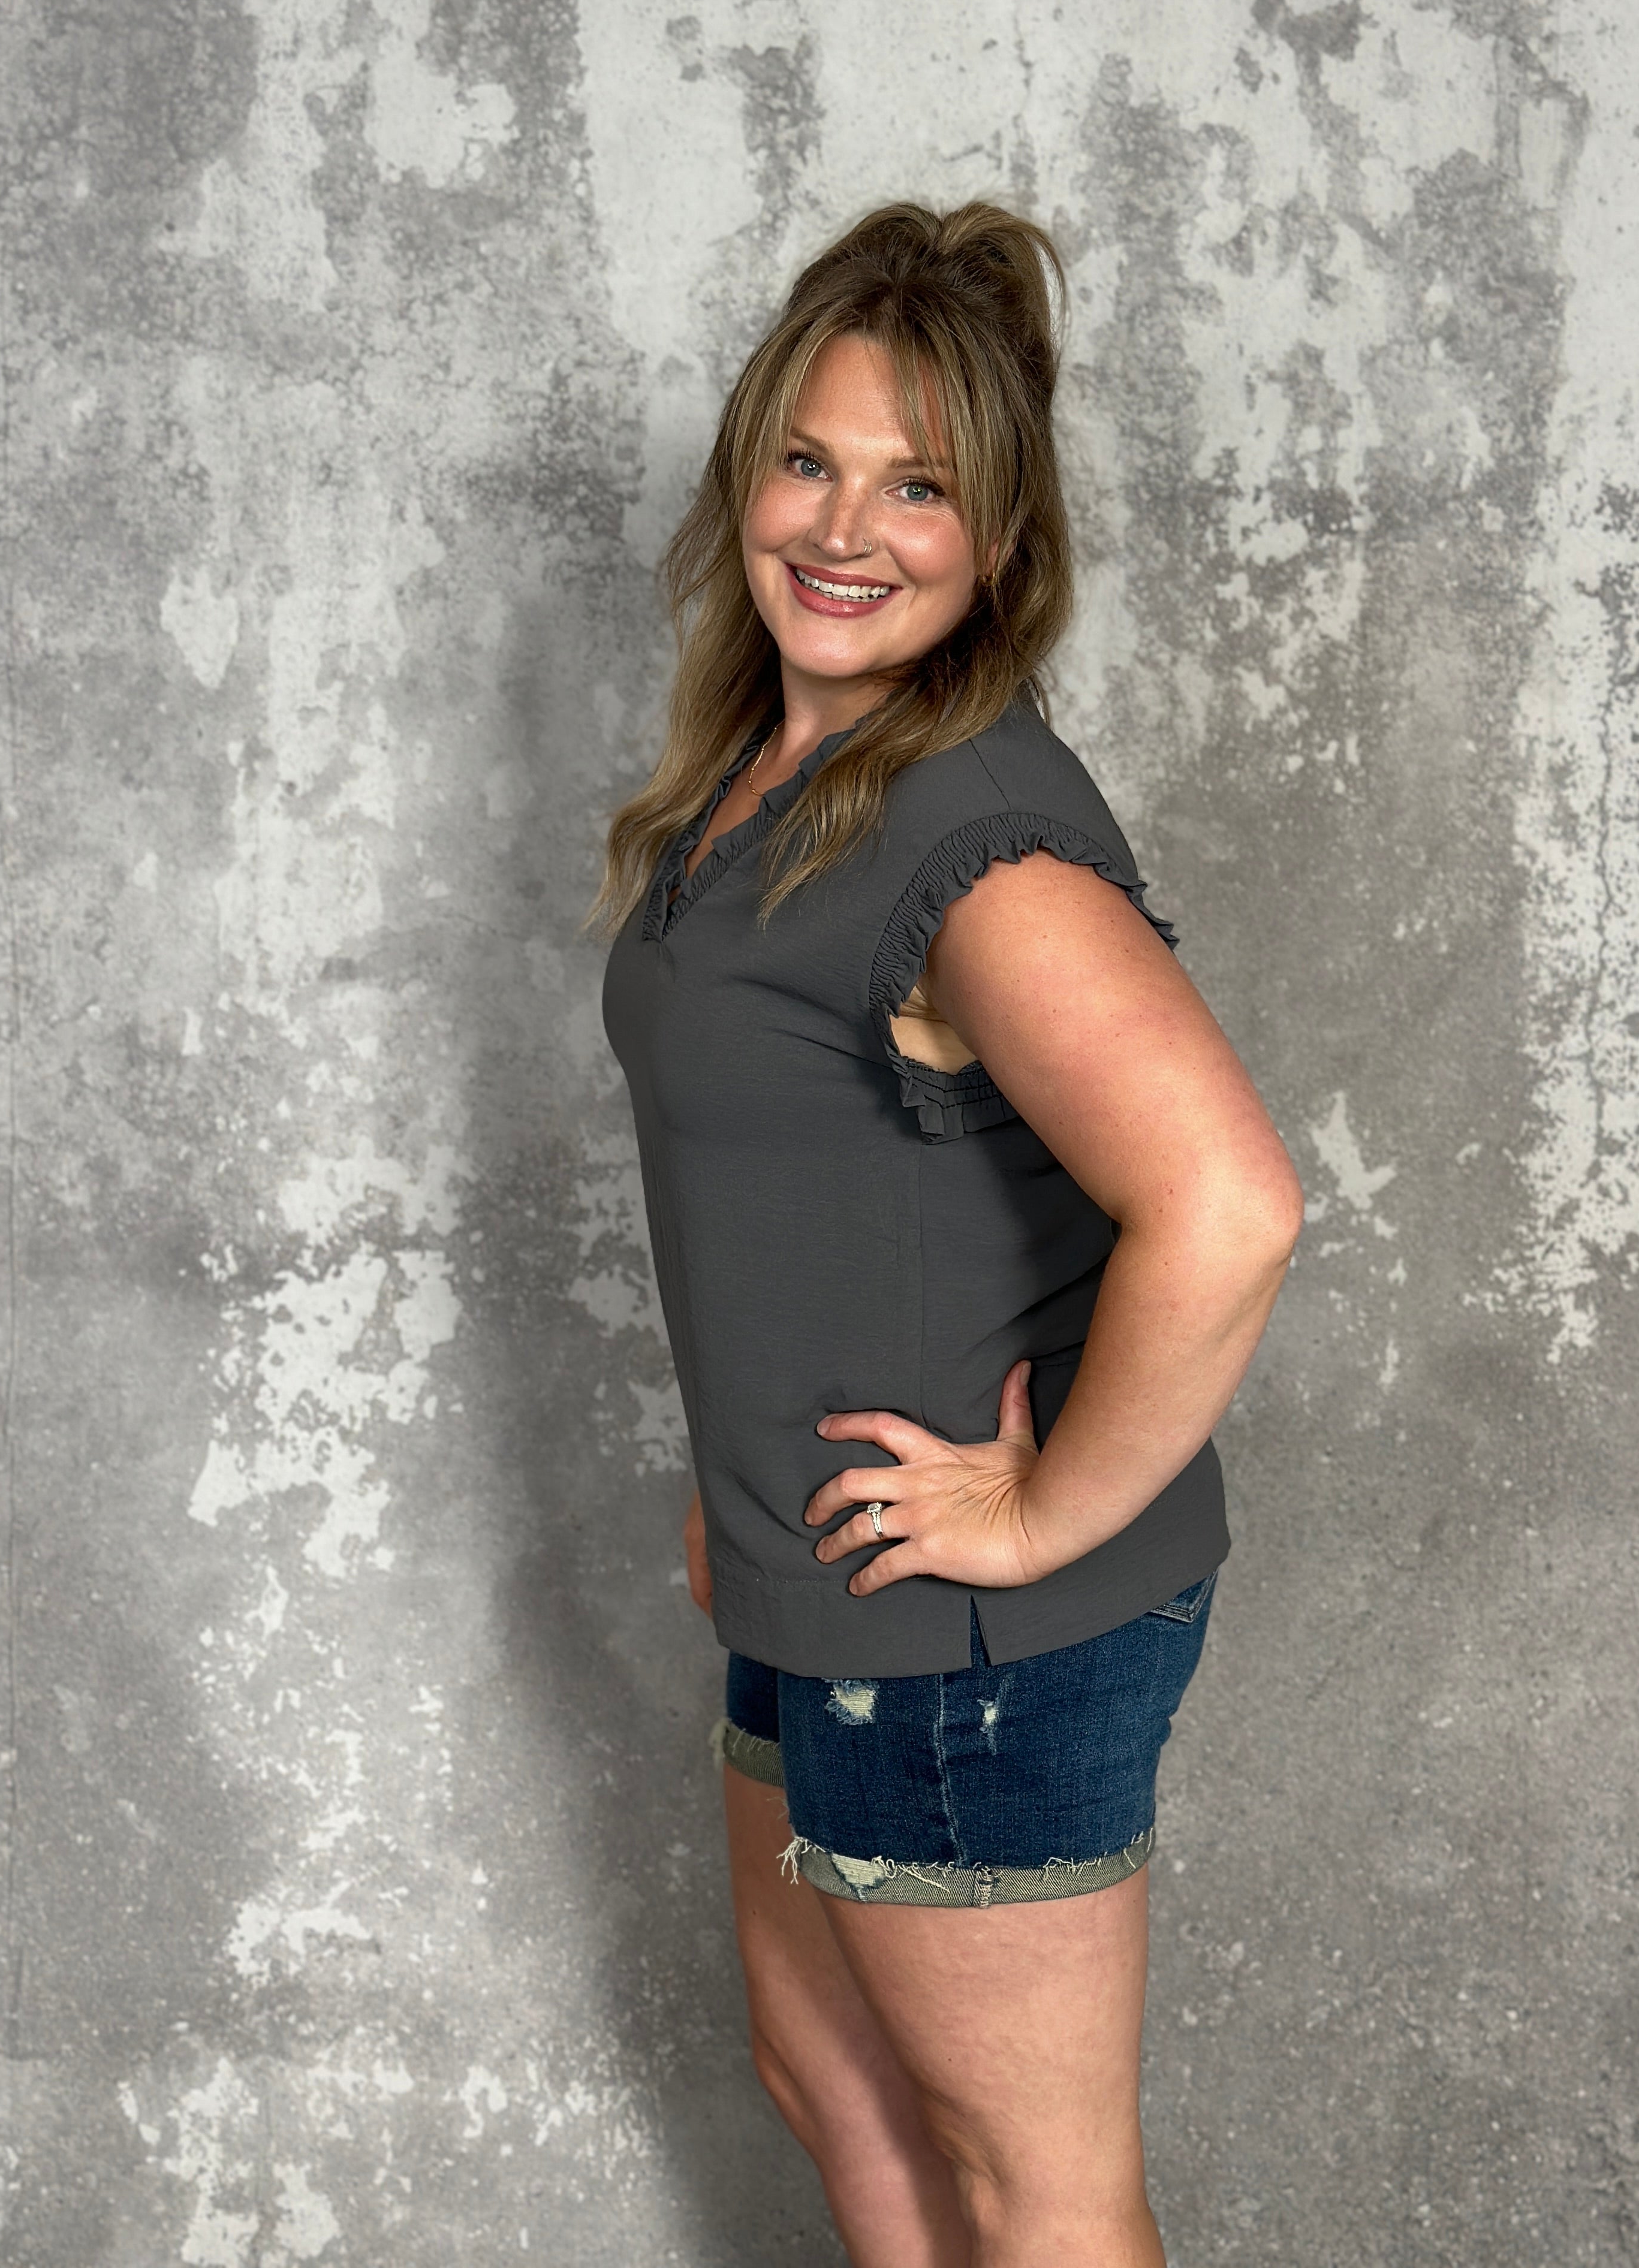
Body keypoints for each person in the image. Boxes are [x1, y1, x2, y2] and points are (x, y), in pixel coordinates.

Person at [594, 201, 1304, 2268]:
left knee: (1033, 2198)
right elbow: (807, 1183)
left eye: (920, 487)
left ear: (1001, 542)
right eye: (808, 461)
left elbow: (1230, 1204)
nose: (846, 529)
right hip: (811, 1575)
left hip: (972, 1649)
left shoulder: (974, 839)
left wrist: (1039, 1514)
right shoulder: (771, 776)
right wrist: (744, 1483)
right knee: (839, 2096)